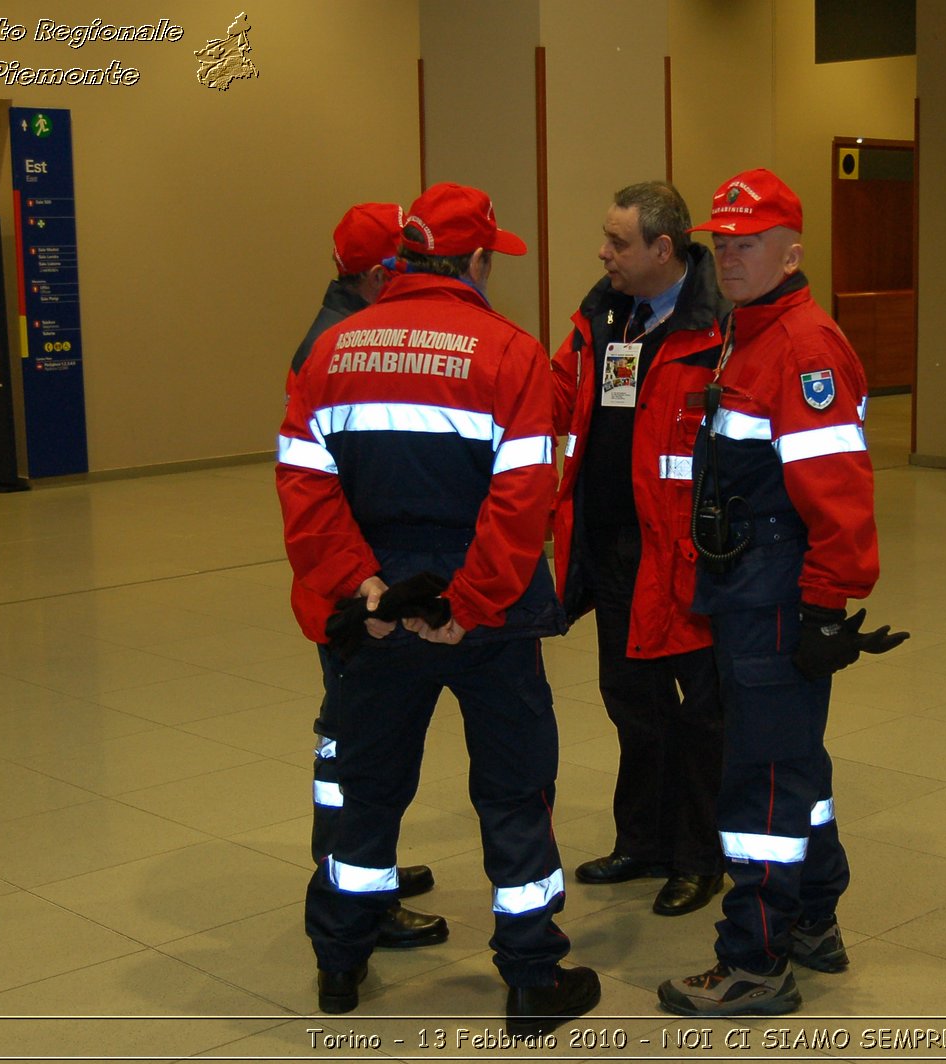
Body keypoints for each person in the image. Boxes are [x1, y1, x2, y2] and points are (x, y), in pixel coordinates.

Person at [277, 182, 600, 1033]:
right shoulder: (510, 352)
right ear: (479, 261)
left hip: (375, 610)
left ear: (406, 256)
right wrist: (471, 600)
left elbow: (304, 490)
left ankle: (340, 961)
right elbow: (523, 497)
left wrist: (364, 591)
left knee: (364, 787)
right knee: (513, 787)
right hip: (485, 615)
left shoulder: (332, 350)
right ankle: (532, 976)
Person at [657, 169, 905, 1017]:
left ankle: (755, 963)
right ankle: (812, 919)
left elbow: (838, 490)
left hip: (774, 594)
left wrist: (827, 606)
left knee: (760, 782)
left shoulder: (803, 347)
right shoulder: (749, 331)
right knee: (792, 763)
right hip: (744, 588)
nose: (731, 257)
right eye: (722, 244)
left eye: (750, 244)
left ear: (791, 251)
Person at [550, 181, 727, 917]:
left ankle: (698, 856)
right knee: (631, 701)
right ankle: (643, 840)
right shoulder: (603, 316)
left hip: (689, 561)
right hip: (615, 551)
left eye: (617, 242)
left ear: (665, 248)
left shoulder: (720, 327)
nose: (603, 253)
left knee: (700, 713)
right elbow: (558, 394)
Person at [289, 201, 447, 955]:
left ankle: (364, 868)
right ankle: (359, 889)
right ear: (383, 272)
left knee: (357, 739)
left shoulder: (338, 334)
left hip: (347, 581)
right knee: (357, 744)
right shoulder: (337, 348)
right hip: (355, 588)